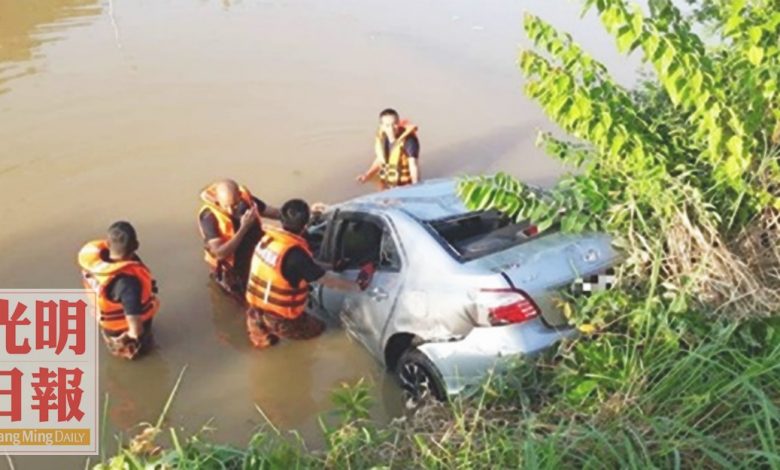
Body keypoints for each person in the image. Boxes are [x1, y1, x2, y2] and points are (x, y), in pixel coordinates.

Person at [245, 199, 361, 348]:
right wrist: (356, 287)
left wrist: (330, 266)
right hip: (281, 318)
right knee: (322, 332)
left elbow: (302, 266)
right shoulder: (295, 255)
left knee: (264, 349)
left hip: (255, 312)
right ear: (305, 226)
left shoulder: (268, 240)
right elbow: (327, 280)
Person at [78, 221, 159, 360]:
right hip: (124, 334)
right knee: (143, 358)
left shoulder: (95, 266)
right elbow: (135, 331)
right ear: (136, 246)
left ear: (108, 244)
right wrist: (127, 337)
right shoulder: (128, 284)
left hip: (108, 327)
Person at [198, 179, 281, 297]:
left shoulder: (246, 200)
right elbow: (219, 253)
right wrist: (244, 228)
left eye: (235, 205)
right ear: (217, 200)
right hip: (231, 272)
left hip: (252, 259)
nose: (230, 211)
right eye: (226, 206)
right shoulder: (208, 217)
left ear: (240, 196)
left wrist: (297, 215)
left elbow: (271, 211)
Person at [357, 108, 421, 190]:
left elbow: (413, 165)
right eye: (387, 125)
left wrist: (416, 187)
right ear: (382, 126)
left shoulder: (409, 141)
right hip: (386, 184)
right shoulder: (382, 138)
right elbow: (380, 160)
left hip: (404, 187)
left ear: (398, 123)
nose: (391, 129)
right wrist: (367, 175)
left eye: (394, 124)